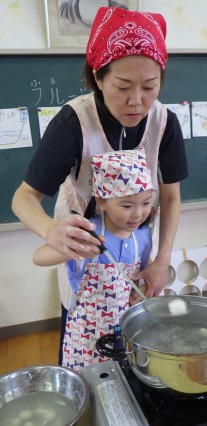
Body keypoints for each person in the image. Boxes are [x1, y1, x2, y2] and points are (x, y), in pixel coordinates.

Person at [11, 7, 188, 364]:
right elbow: (24, 197)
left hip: (135, 261)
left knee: (134, 353)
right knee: (84, 360)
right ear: (98, 77)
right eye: (123, 87)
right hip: (84, 265)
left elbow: (170, 198)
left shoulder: (164, 123)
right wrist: (51, 232)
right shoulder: (73, 123)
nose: (137, 101)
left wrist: (161, 259)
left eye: (150, 87)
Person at [33, 150, 153, 369]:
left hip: (125, 330)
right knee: (89, 385)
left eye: (146, 203)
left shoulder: (143, 235)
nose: (138, 214)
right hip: (86, 336)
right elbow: (38, 257)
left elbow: (140, 275)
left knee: (122, 381)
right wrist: (72, 248)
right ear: (102, 201)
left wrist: (140, 288)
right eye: (127, 205)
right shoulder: (87, 230)